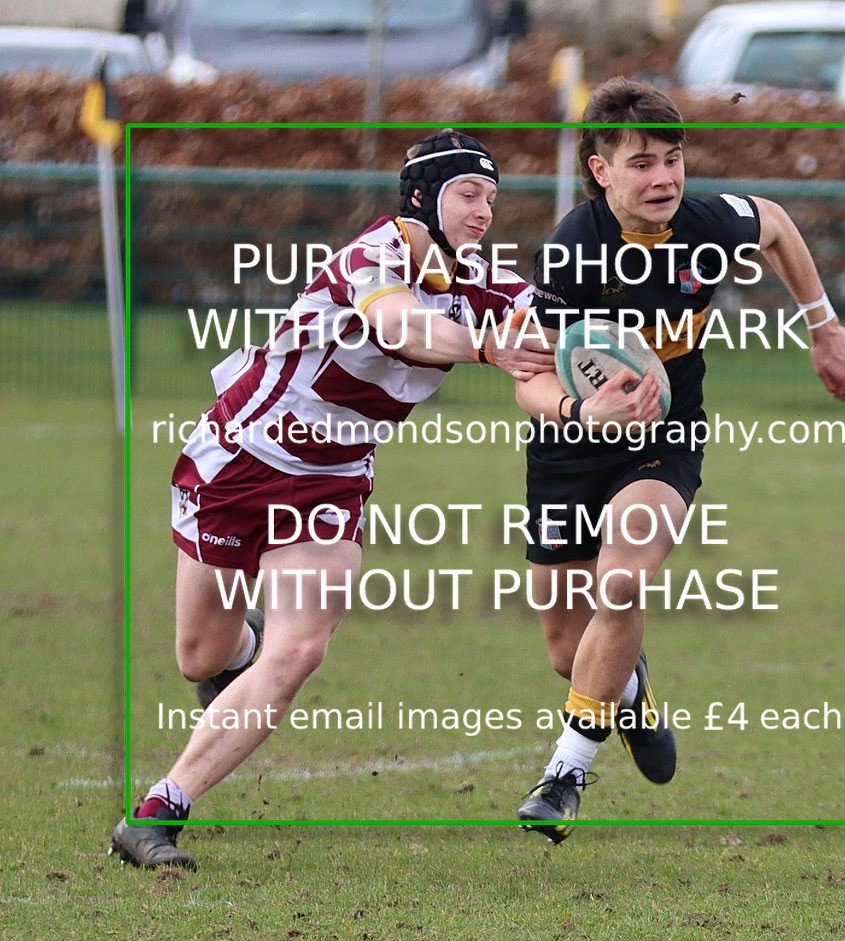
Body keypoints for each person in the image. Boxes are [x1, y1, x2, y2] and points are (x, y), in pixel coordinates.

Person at [110, 130, 551, 869]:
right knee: (201, 656)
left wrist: (600, 380)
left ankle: (156, 813)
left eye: (492, 199)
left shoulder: (488, 287)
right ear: (422, 198)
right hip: (239, 461)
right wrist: (485, 347)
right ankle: (242, 651)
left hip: (333, 482)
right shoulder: (369, 258)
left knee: (301, 650)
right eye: (468, 195)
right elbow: (400, 324)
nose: (484, 212)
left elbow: (554, 335)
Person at [514, 77, 845, 843]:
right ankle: (631, 696)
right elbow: (529, 379)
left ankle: (565, 774)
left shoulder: (705, 224)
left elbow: (775, 226)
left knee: (623, 578)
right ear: (601, 170)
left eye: (673, 158)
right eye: (642, 162)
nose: (664, 176)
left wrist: (823, 326)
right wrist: (582, 411)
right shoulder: (573, 251)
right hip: (570, 451)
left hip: (662, 439)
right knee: (568, 650)